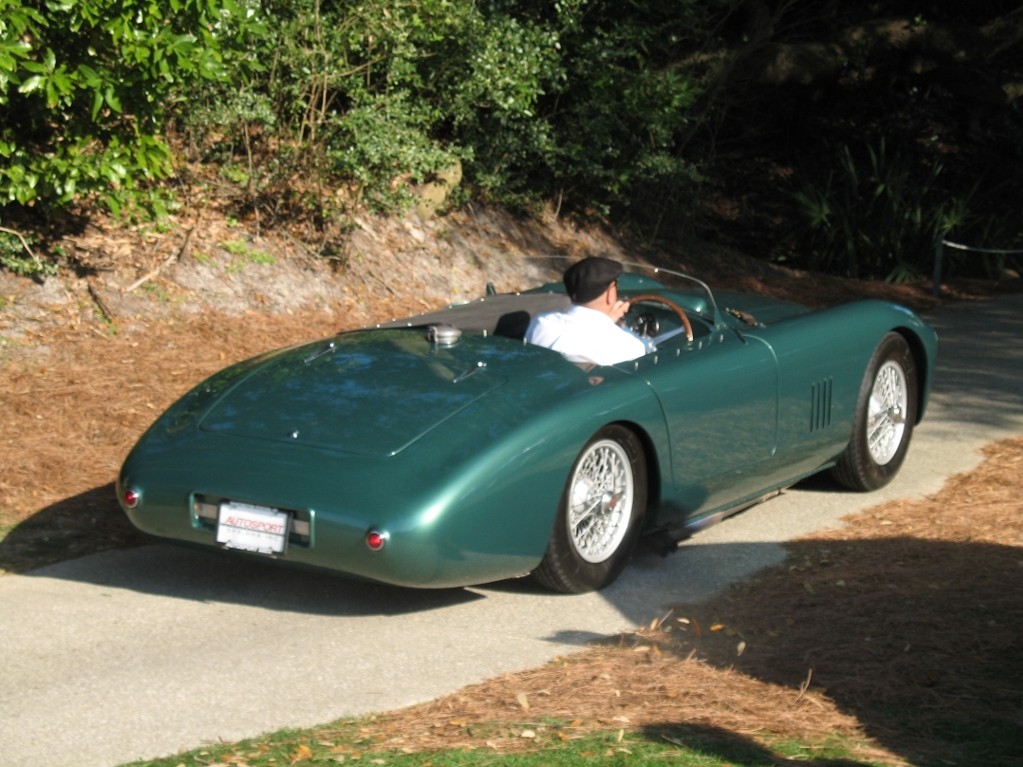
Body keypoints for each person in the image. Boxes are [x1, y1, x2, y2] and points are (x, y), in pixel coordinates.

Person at [525, 256, 654, 365]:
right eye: (616, 285)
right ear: (609, 294)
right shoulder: (629, 346)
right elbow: (648, 353)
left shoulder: (541, 323)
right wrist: (616, 326)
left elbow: (580, 334)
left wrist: (608, 321)